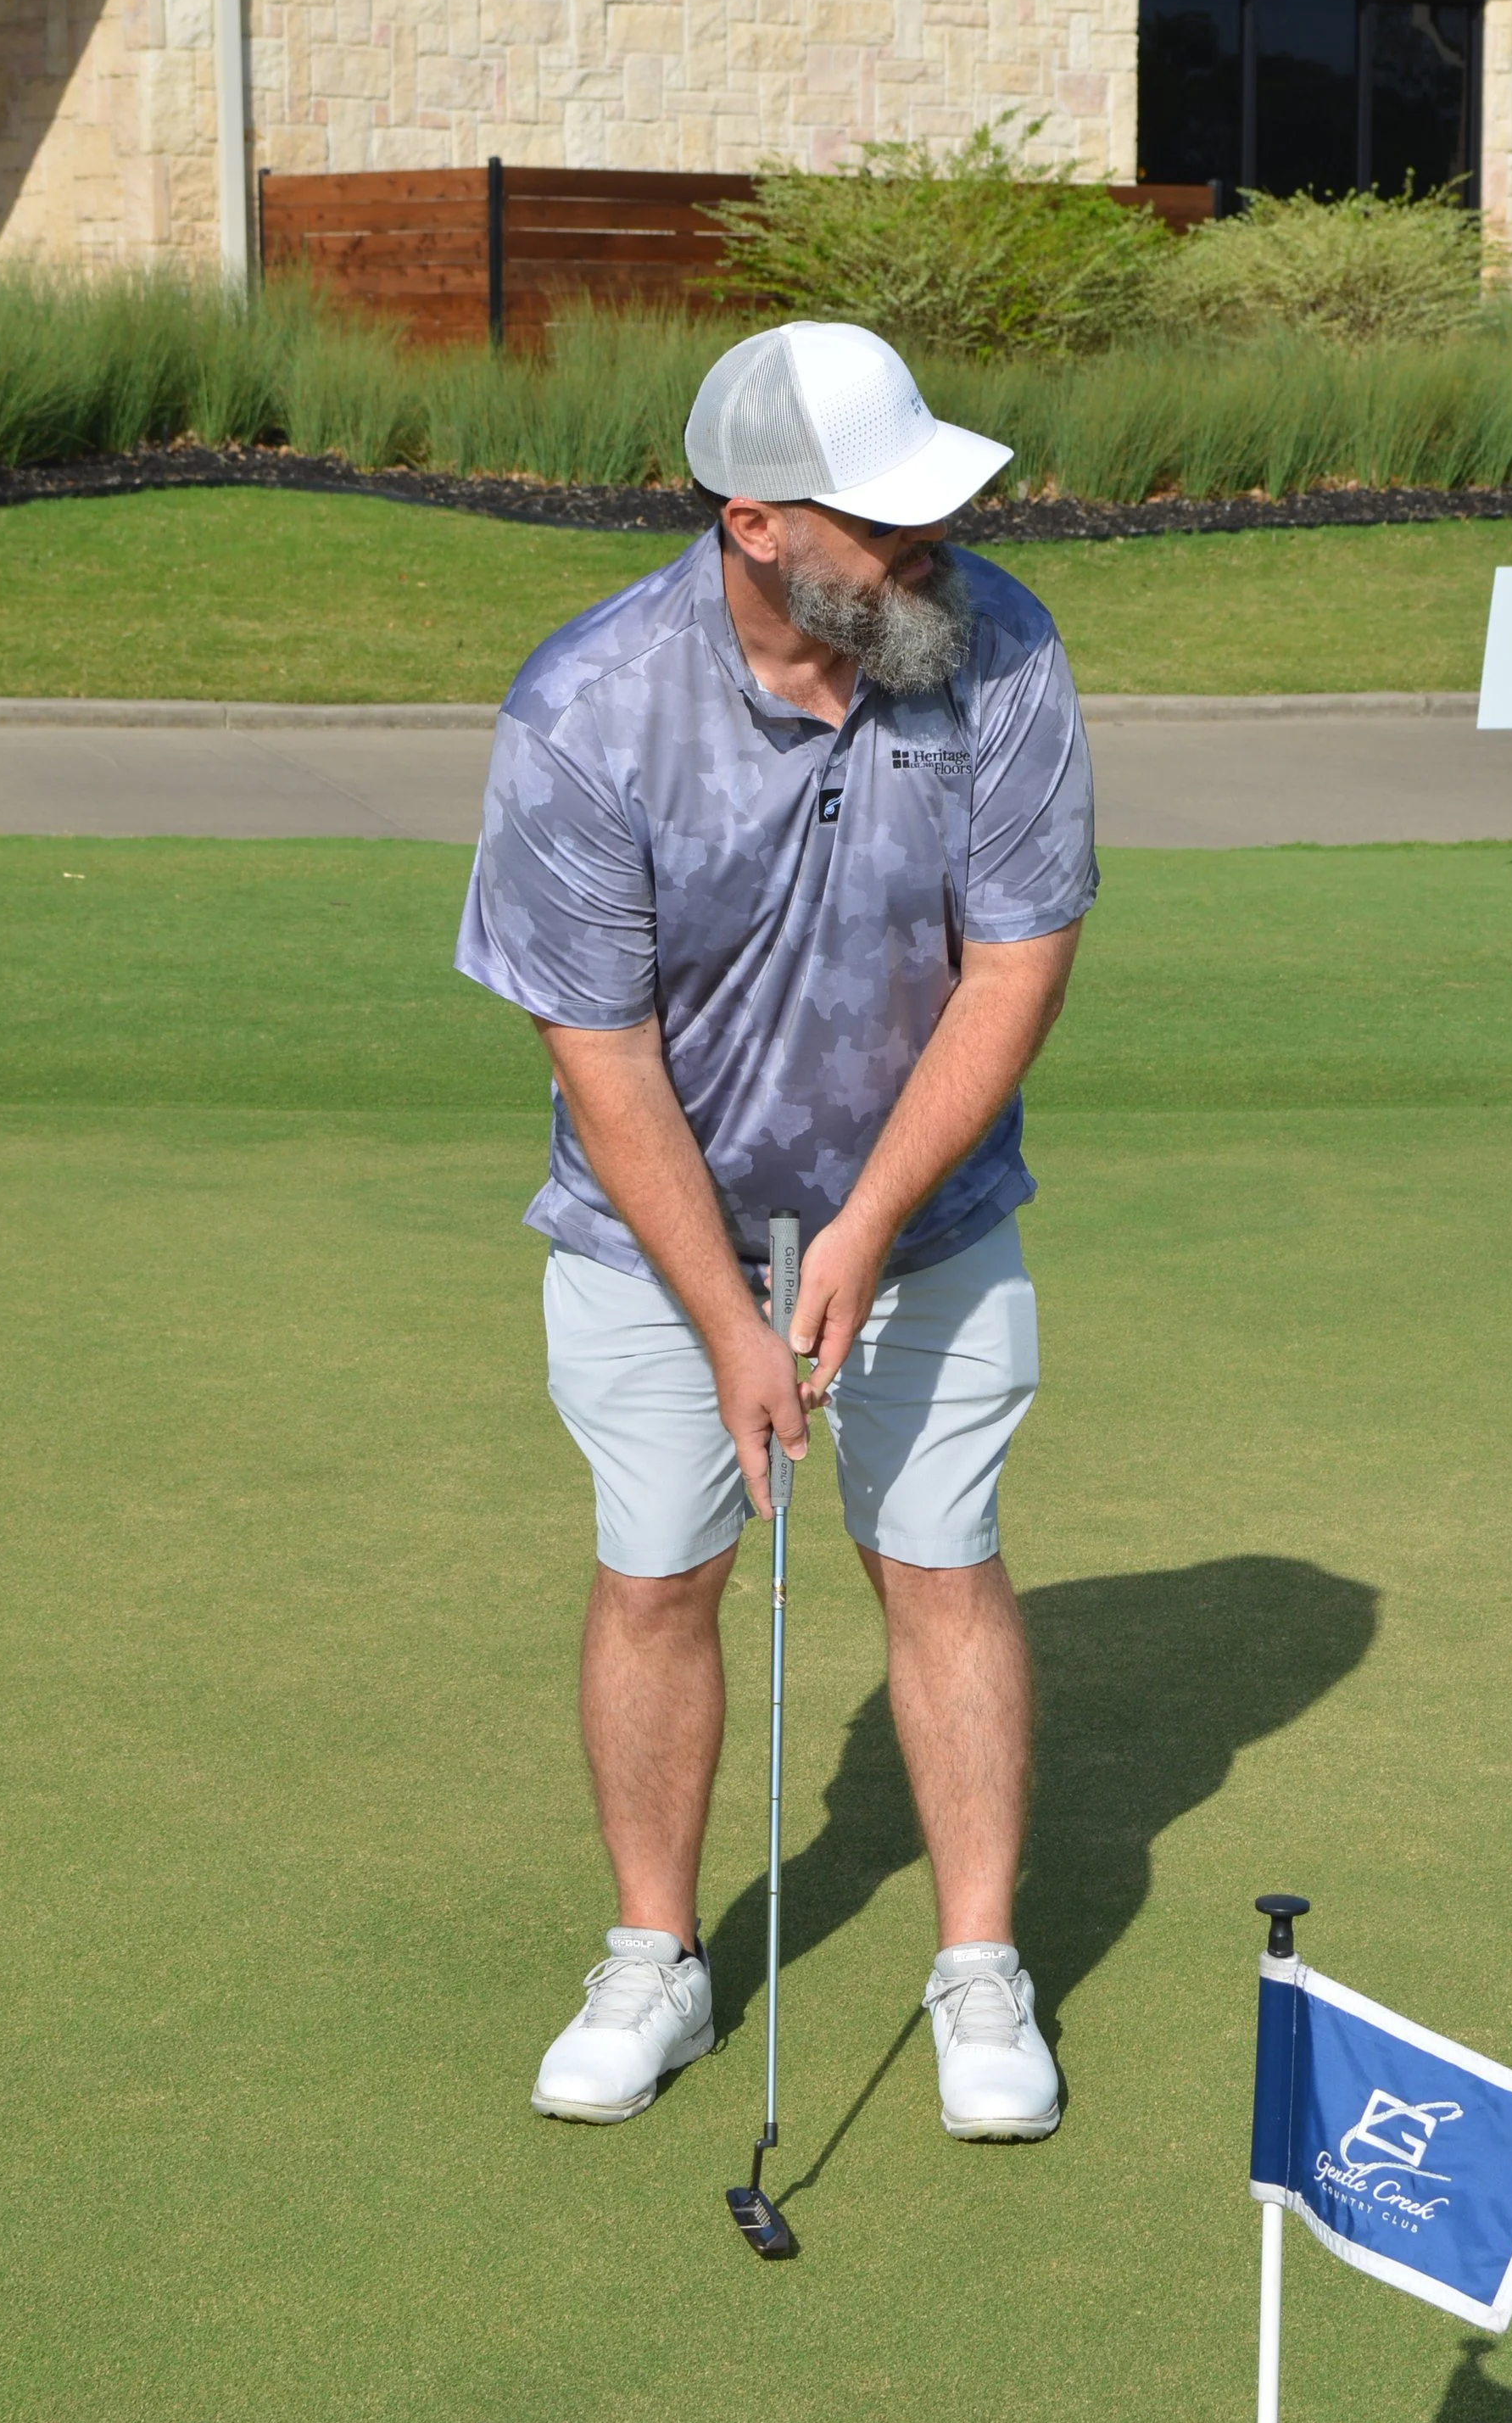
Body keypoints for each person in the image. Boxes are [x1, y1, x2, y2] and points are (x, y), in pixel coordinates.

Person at [455, 320, 1095, 2142]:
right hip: (657, 1225)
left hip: (932, 1205)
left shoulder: (999, 652)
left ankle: (978, 1968)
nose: (928, 550)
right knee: (659, 1566)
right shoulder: (586, 710)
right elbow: (598, 1052)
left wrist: (871, 1218)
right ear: (753, 523)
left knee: (940, 1554)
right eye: (882, 524)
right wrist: (732, 1317)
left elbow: (1016, 963)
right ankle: (653, 1953)